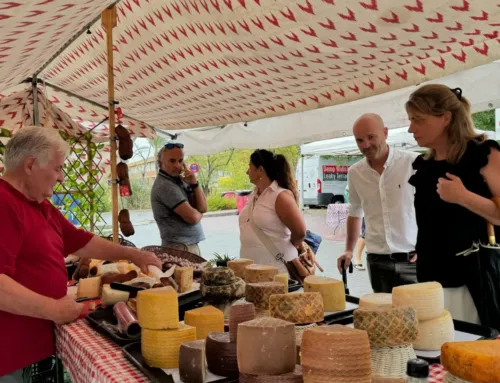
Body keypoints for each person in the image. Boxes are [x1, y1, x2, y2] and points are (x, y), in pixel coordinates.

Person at [0, 126, 161, 381]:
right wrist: (52, 308)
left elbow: (80, 242)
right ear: (30, 165)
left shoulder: (39, 205)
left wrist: (132, 255)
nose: (61, 177)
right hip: (9, 358)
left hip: (35, 350)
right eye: (57, 168)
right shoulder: (3, 202)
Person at [406, 84, 500, 324]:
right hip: (429, 280)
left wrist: (463, 196)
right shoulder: (423, 165)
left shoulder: (483, 154)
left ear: (445, 118)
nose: (410, 128)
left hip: (471, 282)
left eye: (418, 120)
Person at [337, 113, 419, 293]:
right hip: (377, 261)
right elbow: (355, 212)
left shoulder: (412, 163)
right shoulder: (355, 173)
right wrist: (349, 250)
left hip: (413, 260)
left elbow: (431, 208)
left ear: (385, 133)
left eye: (371, 137)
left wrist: (427, 246)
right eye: (359, 140)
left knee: (418, 317)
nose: (365, 145)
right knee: (383, 317)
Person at [239, 149, 306, 274]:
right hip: (252, 270)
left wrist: (286, 245)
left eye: (250, 167)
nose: (247, 172)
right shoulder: (254, 195)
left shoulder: (280, 196)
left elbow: (300, 232)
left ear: (260, 170)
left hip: (277, 270)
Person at [151, 143, 207, 255]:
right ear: (160, 162)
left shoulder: (179, 180)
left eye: (180, 160)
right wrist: (199, 213)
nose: (177, 165)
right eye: (172, 161)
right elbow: (193, 218)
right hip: (179, 248)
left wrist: (194, 184)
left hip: (186, 246)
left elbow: (203, 208)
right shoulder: (165, 186)